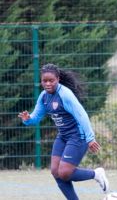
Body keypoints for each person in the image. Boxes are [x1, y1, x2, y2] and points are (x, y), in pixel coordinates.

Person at [18, 63, 109, 200]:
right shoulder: (43, 97)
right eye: (44, 81)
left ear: (58, 79)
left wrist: (90, 138)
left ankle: (96, 174)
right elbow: (35, 118)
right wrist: (27, 119)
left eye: (51, 80)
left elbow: (82, 115)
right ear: (41, 81)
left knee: (65, 172)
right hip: (63, 136)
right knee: (55, 171)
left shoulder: (65, 95)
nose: (48, 84)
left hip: (78, 136)